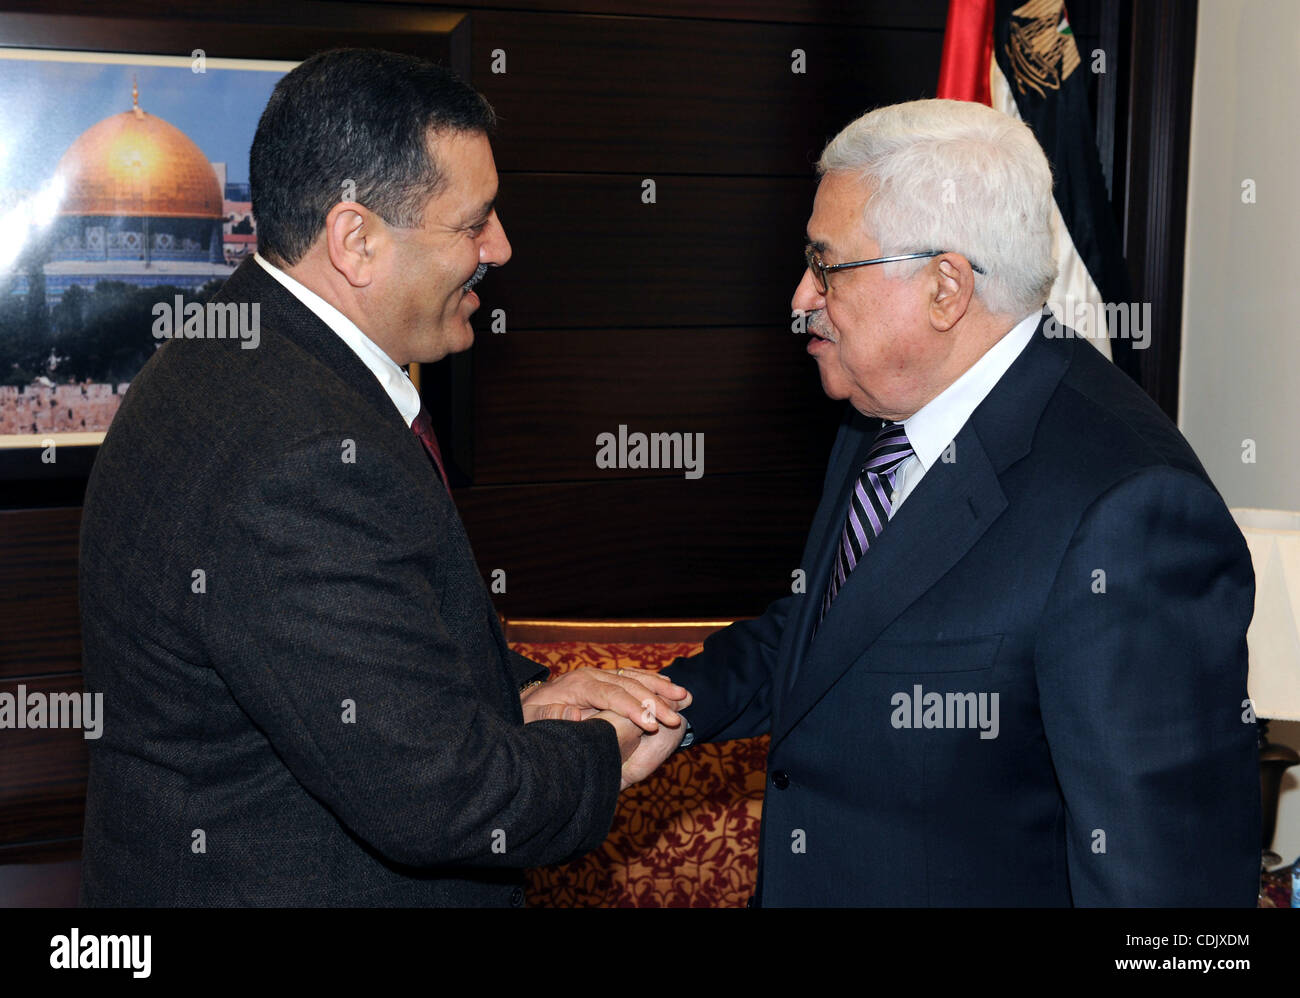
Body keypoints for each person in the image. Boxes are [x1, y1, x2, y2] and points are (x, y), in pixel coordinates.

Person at [78, 48, 686, 907]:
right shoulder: (299, 453)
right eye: (473, 223)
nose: (500, 248)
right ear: (356, 240)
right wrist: (597, 752)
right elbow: (435, 795)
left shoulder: (243, 347)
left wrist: (525, 697)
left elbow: (353, 657)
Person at [663, 98, 1260, 907]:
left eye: (827, 265)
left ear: (946, 288)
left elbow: (1166, 894)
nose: (801, 296)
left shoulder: (1131, 511)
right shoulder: (886, 406)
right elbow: (830, 638)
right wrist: (664, 709)